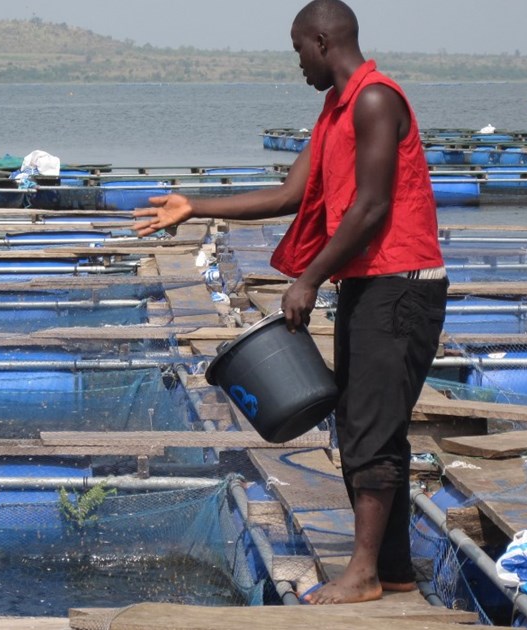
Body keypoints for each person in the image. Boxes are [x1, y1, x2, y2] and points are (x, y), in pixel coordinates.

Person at [132, 0, 447, 605]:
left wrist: (310, 278)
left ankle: (362, 574)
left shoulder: (377, 100)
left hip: (402, 284)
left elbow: (372, 206)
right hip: (370, 283)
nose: (297, 62)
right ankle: (394, 568)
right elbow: (289, 194)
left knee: (369, 431)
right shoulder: (336, 108)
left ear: (323, 40)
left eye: (299, 49)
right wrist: (196, 206)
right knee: (367, 423)